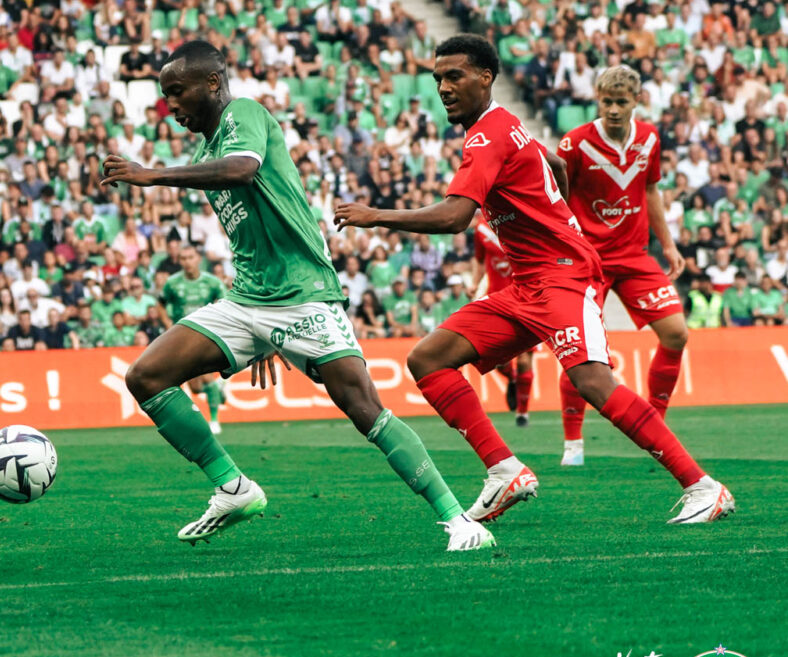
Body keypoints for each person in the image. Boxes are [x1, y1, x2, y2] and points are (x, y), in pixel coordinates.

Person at [102, 40, 494, 551]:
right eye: (165, 95)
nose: (170, 104)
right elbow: (248, 235)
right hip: (248, 299)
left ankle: (459, 520)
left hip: (305, 294)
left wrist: (151, 175)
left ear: (213, 84)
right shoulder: (203, 154)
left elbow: (242, 169)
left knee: (362, 405)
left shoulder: (244, 115)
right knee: (146, 376)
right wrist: (259, 335)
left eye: (177, 92)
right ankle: (233, 487)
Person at [333, 34, 734, 526]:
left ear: (485, 77)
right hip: (527, 285)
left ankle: (703, 487)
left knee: (594, 382)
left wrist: (375, 215)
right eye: (437, 77)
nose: (443, 87)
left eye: (454, 75)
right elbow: (558, 164)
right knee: (429, 359)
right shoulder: (503, 123)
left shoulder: (486, 135)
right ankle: (504, 470)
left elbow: (457, 217)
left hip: (564, 276)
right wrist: (559, 211)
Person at [553, 65, 687, 467]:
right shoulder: (573, 144)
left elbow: (650, 191)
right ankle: (573, 444)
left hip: (634, 256)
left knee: (676, 335)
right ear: (597, 99)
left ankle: (655, 430)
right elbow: (557, 200)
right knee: (580, 351)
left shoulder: (649, 138)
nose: (612, 109)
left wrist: (668, 244)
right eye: (606, 101)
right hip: (588, 260)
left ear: (636, 101)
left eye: (621, 102)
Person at [159, 244, 228, 433]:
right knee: (196, 388)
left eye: (190, 257)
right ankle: (217, 388)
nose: (187, 262)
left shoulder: (212, 283)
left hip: (205, 335)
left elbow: (224, 304)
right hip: (181, 336)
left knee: (205, 375)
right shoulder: (172, 283)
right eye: (183, 258)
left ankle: (214, 421)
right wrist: (167, 326)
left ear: (198, 259)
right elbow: (161, 304)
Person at [472, 212, 533, 425]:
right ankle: (512, 378)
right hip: (497, 297)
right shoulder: (481, 229)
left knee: (525, 358)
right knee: (496, 358)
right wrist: (474, 282)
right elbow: (479, 260)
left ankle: (522, 414)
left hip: (525, 297)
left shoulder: (522, 221)